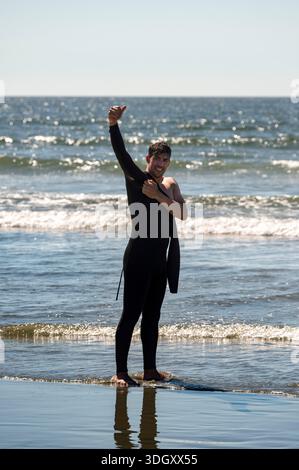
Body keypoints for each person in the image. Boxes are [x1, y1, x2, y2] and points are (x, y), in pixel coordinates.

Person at [108, 105, 186, 386]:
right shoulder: (136, 179)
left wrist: (161, 196)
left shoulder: (167, 185)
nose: (161, 164)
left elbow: (182, 214)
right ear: (148, 158)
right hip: (139, 257)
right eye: (157, 159)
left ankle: (150, 370)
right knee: (131, 314)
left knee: (152, 318)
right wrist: (113, 124)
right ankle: (120, 372)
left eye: (165, 160)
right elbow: (122, 155)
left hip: (160, 261)